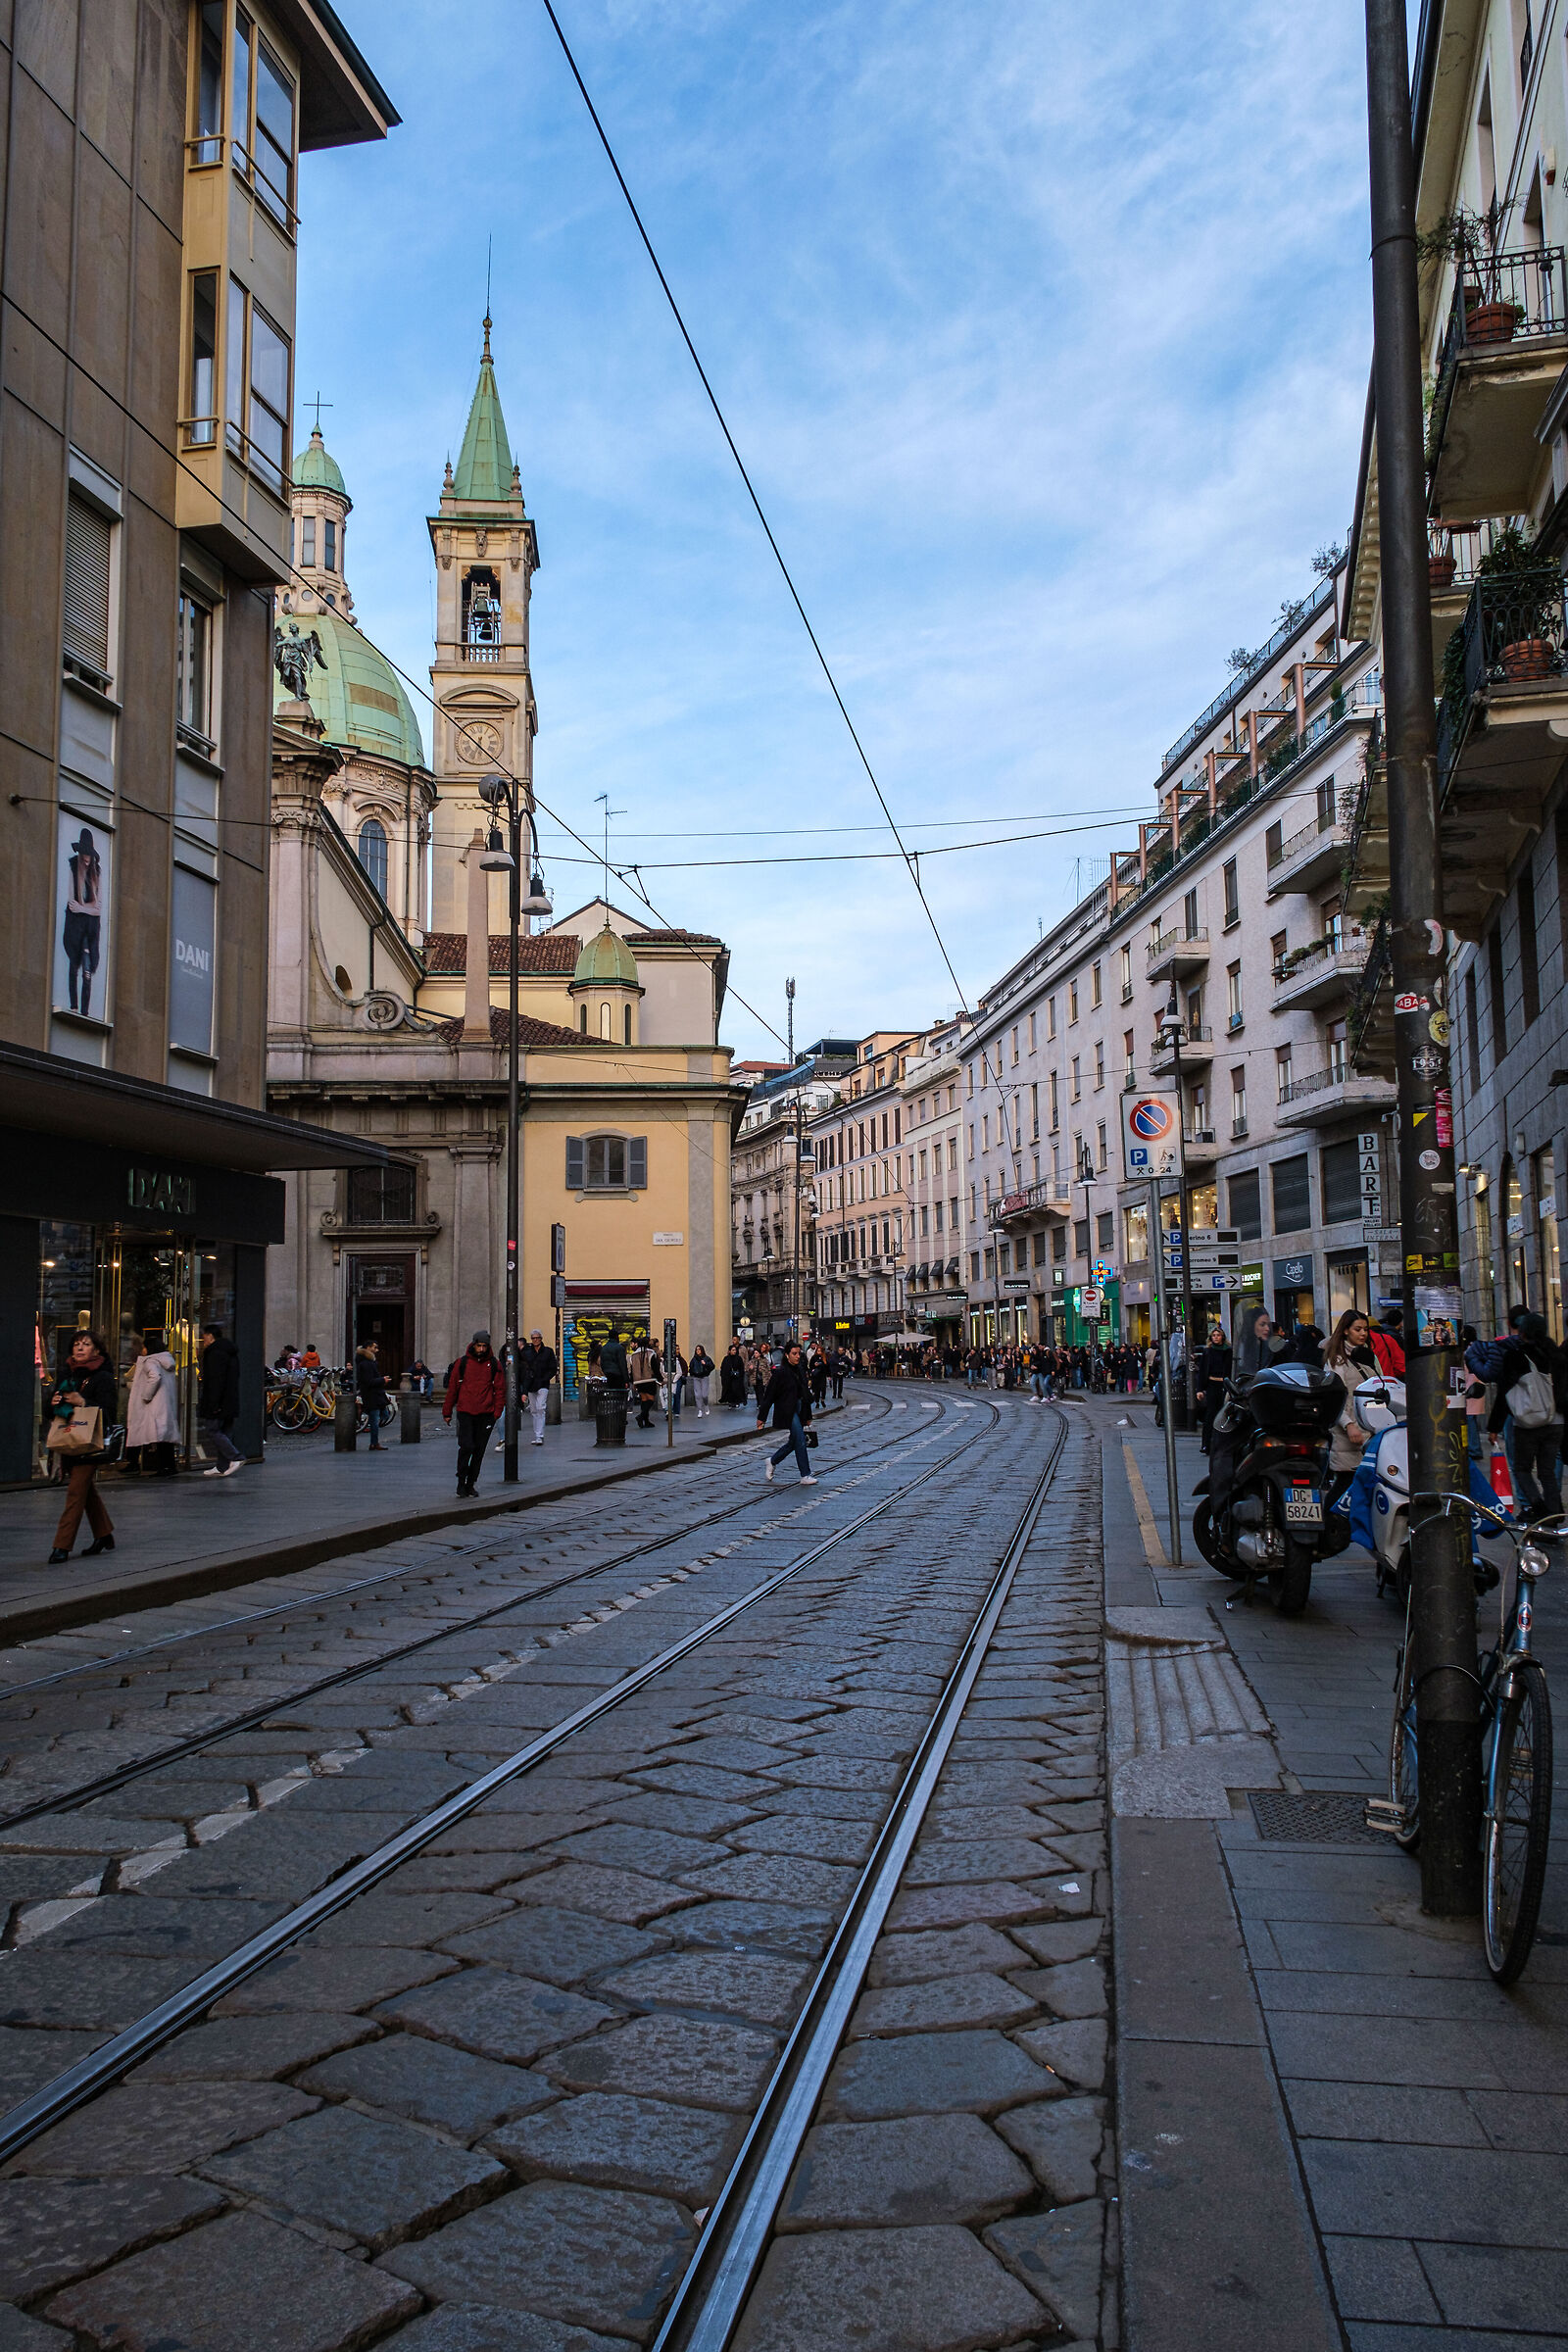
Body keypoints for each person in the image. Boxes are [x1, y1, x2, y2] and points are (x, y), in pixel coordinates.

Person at [1466, 1312, 1565, 1527]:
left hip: (1528, 1422)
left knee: (1522, 1468)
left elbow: (1505, 1393)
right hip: (1555, 1421)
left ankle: (1538, 1509)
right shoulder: (1555, 1353)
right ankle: (1553, 1514)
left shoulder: (1516, 1355)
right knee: (1547, 1472)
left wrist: (1494, 1427)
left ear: (1523, 1332)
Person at [46, 1331, 119, 1562]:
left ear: (96, 1350)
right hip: (68, 1441)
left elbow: (109, 1413)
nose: (79, 1348)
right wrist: (53, 1403)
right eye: (76, 1344)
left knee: (76, 1491)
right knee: (86, 1492)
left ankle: (61, 1546)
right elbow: (51, 1412)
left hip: (89, 1444)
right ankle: (104, 1534)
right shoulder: (67, 1374)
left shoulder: (103, 1377)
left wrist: (84, 1402)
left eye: (86, 1344)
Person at [1323, 1308, 1379, 1504]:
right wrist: (1348, 1425)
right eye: (1358, 1329)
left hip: (1370, 1428)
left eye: (1365, 1329)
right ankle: (1330, 1519)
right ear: (1346, 1331)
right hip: (1348, 1432)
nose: (1363, 1333)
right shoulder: (1337, 1360)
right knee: (1346, 1483)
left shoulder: (1368, 1356)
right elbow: (1334, 1397)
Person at [444, 1330, 505, 1496]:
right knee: (466, 1447)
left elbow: (500, 1390)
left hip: (486, 1413)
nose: (481, 1349)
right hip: (465, 1411)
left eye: (484, 1346)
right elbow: (453, 1388)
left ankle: (471, 1483)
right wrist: (447, 1411)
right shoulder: (462, 1363)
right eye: (479, 1346)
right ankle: (461, 1481)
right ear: (474, 1344)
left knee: (479, 1451)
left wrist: (496, 1412)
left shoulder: (494, 1364)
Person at [757, 1341, 816, 1484]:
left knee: (793, 1441)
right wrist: (762, 1417)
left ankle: (772, 1461)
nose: (797, 1356)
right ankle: (805, 1474)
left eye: (798, 1354)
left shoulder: (800, 1370)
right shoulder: (780, 1373)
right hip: (787, 1411)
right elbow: (769, 1396)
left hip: (800, 1408)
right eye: (794, 1354)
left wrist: (808, 1416)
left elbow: (805, 1394)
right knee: (800, 1439)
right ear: (787, 1355)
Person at [123, 1334, 178, 1477]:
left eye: (144, 1347)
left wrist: (146, 1395)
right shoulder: (166, 1361)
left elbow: (155, 1377)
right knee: (164, 1437)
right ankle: (169, 1466)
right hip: (164, 1404)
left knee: (149, 1434)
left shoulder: (150, 1361)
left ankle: (142, 1465)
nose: (142, 1350)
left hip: (152, 1405)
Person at [197, 1325, 243, 1476]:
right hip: (230, 1400)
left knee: (213, 1430)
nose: (203, 1340)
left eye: (204, 1336)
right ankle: (222, 1466)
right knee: (225, 1431)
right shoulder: (229, 1352)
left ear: (210, 1336)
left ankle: (235, 1457)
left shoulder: (214, 1353)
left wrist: (214, 1403)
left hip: (218, 1401)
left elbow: (215, 1380)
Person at [517, 1328, 558, 1446]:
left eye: (537, 1338)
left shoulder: (548, 1351)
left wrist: (545, 1378)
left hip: (543, 1383)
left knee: (540, 1407)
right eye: (533, 1338)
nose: (535, 1340)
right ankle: (537, 1435)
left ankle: (540, 1435)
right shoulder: (526, 1352)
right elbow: (523, 1367)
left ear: (541, 1338)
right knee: (534, 1410)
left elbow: (553, 1367)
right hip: (531, 1384)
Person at [1198, 1320, 1233, 1457]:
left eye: (1218, 1335)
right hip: (1212, 1385)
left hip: (1224, 1386)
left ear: (1222, 1337)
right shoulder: (1208, 1351)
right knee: (1210, 1415)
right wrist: (1200, 1389)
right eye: (1214, 1335)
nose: (1216, 1337)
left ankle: (1222, 1444)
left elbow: (1230, 1369)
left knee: (1224, 1415)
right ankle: (1206, 1444)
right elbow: (1202, 1371)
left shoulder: (1228, 1351)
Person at [354, 1340, 390, 1450]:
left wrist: (381, 1380)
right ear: (368, 1348)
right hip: (371, 1395)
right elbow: (368, 1381)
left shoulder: (368, 1362)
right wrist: (382, 1380)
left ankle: (373, 1440)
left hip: (375, 1394)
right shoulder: (366, 1364)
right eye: (375, 1347)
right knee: (375, 1418)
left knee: (384, 1415)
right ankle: (374, 1443)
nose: (377, 1350)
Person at [628, 1338, 660, 1430]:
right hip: (649, 1379)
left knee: (644, 1400)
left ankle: (645, 1421)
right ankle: (641, 1416)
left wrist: (633, 1381)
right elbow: (655, 1367)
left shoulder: (633, 1355)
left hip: (638, 1381)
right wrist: (660, 1378)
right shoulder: (651, 1353)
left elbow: (632, 1370)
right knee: (650, 1400)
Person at [719, 1341, 748, 1410]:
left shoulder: (738, 1358)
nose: (734, 1351)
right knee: (729, 1390)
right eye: (733, 1350)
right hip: (728, 1378)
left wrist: (740, 1375)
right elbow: (723, 1368)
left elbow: (741, 1368)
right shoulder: (726, 1359)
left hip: (737, 1378)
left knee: (736, 1390)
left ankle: (736, 1402)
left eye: (735, 1350)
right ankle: (730, 1402)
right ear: (729, 1351)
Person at [690, 1345, 715, 1417]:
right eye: (696, 1349)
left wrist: (705, 1364)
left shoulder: (706, 1358)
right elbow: (691, 1367)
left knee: (704, 1395)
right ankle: (700, 1410)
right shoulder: (694, 1359)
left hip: (704, 1377)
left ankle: (706, 1405)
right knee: (697, 1395)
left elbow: (712, 1366)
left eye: (699, 1349)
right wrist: (692, 1372)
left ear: (702, 1350)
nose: (698, 1351)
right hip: (696, 1377)